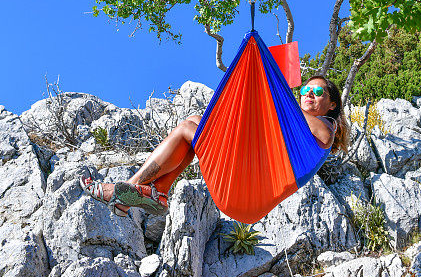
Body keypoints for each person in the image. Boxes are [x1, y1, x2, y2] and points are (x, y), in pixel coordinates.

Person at [80, 75, 350, 216]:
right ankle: (157, 191)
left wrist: (280, 96)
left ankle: (128, 188)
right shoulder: (295, 127)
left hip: (251, 187)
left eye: (318, 92)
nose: (309, 95)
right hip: (247, 175)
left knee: (189, 129)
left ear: (332, 103)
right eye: (305, 91)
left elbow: (323, 137)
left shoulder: (327, 125)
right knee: (196, 123)